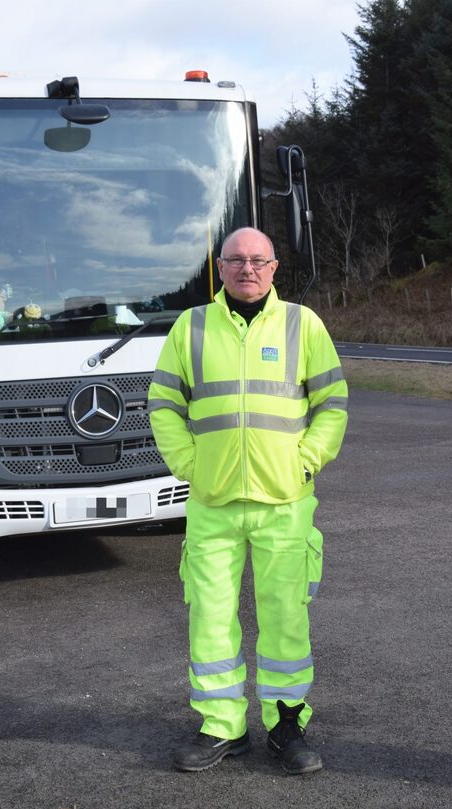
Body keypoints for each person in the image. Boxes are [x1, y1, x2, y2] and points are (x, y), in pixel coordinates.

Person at [149, 227, 348, 774]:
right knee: (209, 620)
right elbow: (162, 404)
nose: (247, 269)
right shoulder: (191, 327)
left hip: (285, 500)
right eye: (236, 259)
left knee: (286, 617)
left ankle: (288, 725)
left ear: (275, 267)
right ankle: (222, 727)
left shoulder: (301, 324)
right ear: (220, 266)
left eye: (258, 260)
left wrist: (305, 461)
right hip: (212, 501)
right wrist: (190, 465)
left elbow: (333, 403)